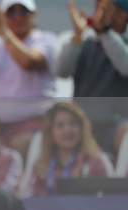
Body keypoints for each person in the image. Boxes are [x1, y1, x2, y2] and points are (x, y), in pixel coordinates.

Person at [0, 0, 57, 162]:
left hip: (35, 122)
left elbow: (28, 62)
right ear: (2, 16)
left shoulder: (46, 39)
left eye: (23, 11)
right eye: (11, 12)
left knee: (20, 144)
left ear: (33, 15)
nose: (18, 17)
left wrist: (4, 33)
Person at [53, 0, 128, 156]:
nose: (97, 12)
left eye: (105, 8)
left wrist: (105, 32)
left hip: (113, 125)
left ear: (122, 16)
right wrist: (77, 36)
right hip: (80, 127)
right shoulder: (85, 43)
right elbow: (60, 71)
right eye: (97, 7)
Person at [20, 102, 114, 198]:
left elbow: (112, 200)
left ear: (82, 129)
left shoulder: (97, 162)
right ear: (50, 132)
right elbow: (26, 201)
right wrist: (39, 183)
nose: (68, 130)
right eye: (60, 125)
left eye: (73, 123)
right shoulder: (42, 163)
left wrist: (80, 186)